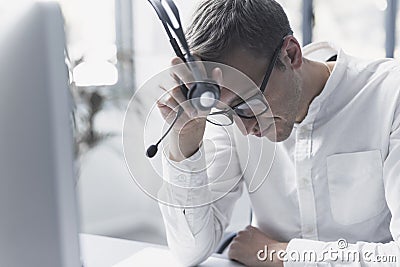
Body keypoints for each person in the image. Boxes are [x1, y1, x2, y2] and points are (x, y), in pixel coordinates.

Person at [155, 0, 400, 266]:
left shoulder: (391, 97)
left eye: (246, 103)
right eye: (225, 112)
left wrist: (279, 254)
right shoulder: (234, 114)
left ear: (291, 54)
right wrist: (185, 143)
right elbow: (189, 252)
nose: (244, 128)